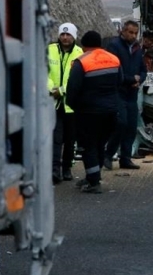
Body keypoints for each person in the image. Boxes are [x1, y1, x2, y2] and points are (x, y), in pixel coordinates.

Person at [65, 30, 122, 193]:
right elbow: (120, 82)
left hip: (88, 112)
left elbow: (72, 89)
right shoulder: (114, 59)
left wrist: (74, 106)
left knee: (87, 145)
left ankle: (94, 183)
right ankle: (92, 176)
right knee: (99, 144)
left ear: (83, 46)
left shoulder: (81, 62)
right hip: (111, 111)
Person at [103, 19, 146, 170]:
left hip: (132, 93)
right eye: (130, 32)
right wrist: (130, 80)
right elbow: (114, 69)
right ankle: (108, 155)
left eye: (135, 33)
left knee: (131, 126)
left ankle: (125, 158)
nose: (133, 36)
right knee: (121, 123)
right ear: (123, 31)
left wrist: (140, 79)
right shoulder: (114, 46)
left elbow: (143, 69)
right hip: (118, 92)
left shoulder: (137, 49)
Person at [47, 22, 83, 183]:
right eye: (63, 34)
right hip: (53, 103)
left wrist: (61, 90)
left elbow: (76, 78)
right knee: (56, 138)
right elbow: (43, 71)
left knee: (70, 139)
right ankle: (55, 171)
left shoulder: (79, 53)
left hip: (71, 103)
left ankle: (66, 168)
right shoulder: (50, 50)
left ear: (74, 36)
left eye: (68, 34)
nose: (65, 37)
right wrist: (51, 89)